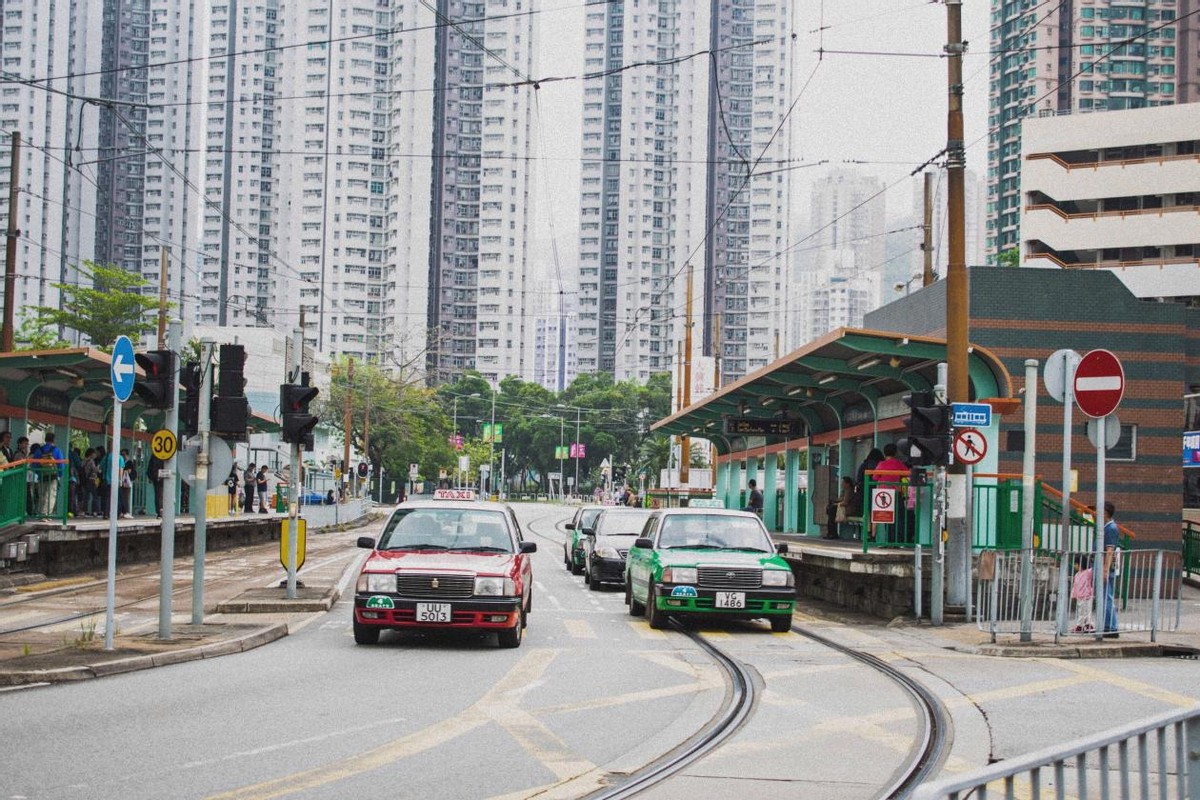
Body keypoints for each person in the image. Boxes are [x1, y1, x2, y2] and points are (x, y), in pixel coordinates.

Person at [1101, 502, 1120, 638]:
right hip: (1106, 565)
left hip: (1107, 566)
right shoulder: (1107, 527)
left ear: (1106, 512)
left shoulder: (1111, 528)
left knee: (1107, 595)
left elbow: (1109, 550)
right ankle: (1108, 625)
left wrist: (1105, 570)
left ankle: (1111, 627)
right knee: (1106, 595)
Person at [825, 476, 856, 540]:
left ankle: (832, 533)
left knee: (832, 511)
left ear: (848, 484)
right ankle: (831, 533)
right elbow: (840, 499)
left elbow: (845, 502)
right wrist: (834, 501)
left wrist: (837, 504)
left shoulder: (849, 491)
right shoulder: (844, 491)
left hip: (848, 509)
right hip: (842, 508)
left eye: (843, 483)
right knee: (831, 511)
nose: (842, 484)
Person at [1070, 556, 1095, 633]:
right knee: (1081, 611)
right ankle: (1081, 625)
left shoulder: (1088, 572)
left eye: (1076, 564)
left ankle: (1087, 625)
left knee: (1087, 611)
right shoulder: (1077, 574)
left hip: (1087, 596)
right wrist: (1074, 594)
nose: (1074, 565)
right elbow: (1075, 586)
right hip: (1080, 596)